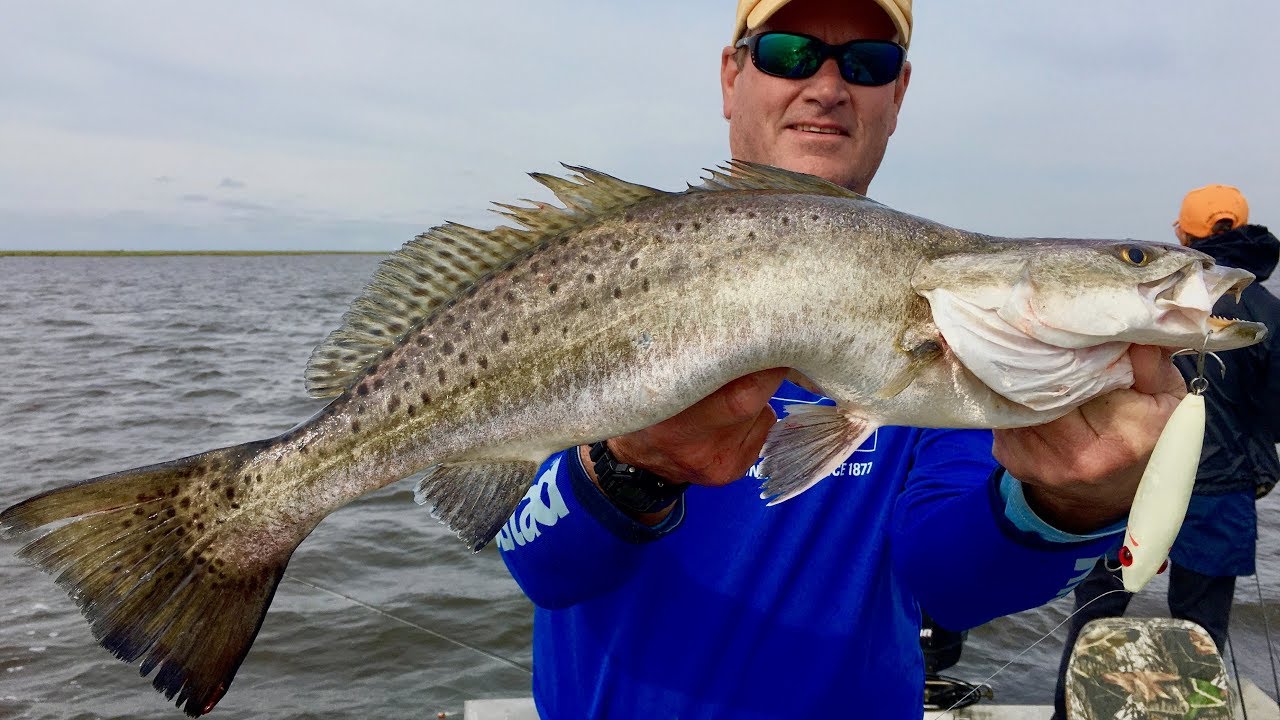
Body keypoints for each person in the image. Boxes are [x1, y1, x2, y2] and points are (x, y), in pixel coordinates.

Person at [499, 1, 1188, 717]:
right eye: (790, 52)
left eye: (868, 62)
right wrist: (630, 466)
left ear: (899, 95)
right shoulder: (607, 277)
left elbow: (953, 586)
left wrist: (1070, 504)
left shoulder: (959, 331)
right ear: (731, 75)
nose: (828, 86)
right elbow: (540, 565)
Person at [1051, 185, 1280, 718]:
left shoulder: (1137, 294)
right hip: (1223, 491)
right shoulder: (1268, 309)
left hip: (1129, 477)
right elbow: (1274, 414)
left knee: (1099, 608)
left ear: (1183, 233)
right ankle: (1189, 713)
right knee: (1201, 625)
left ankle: (1068, 713)